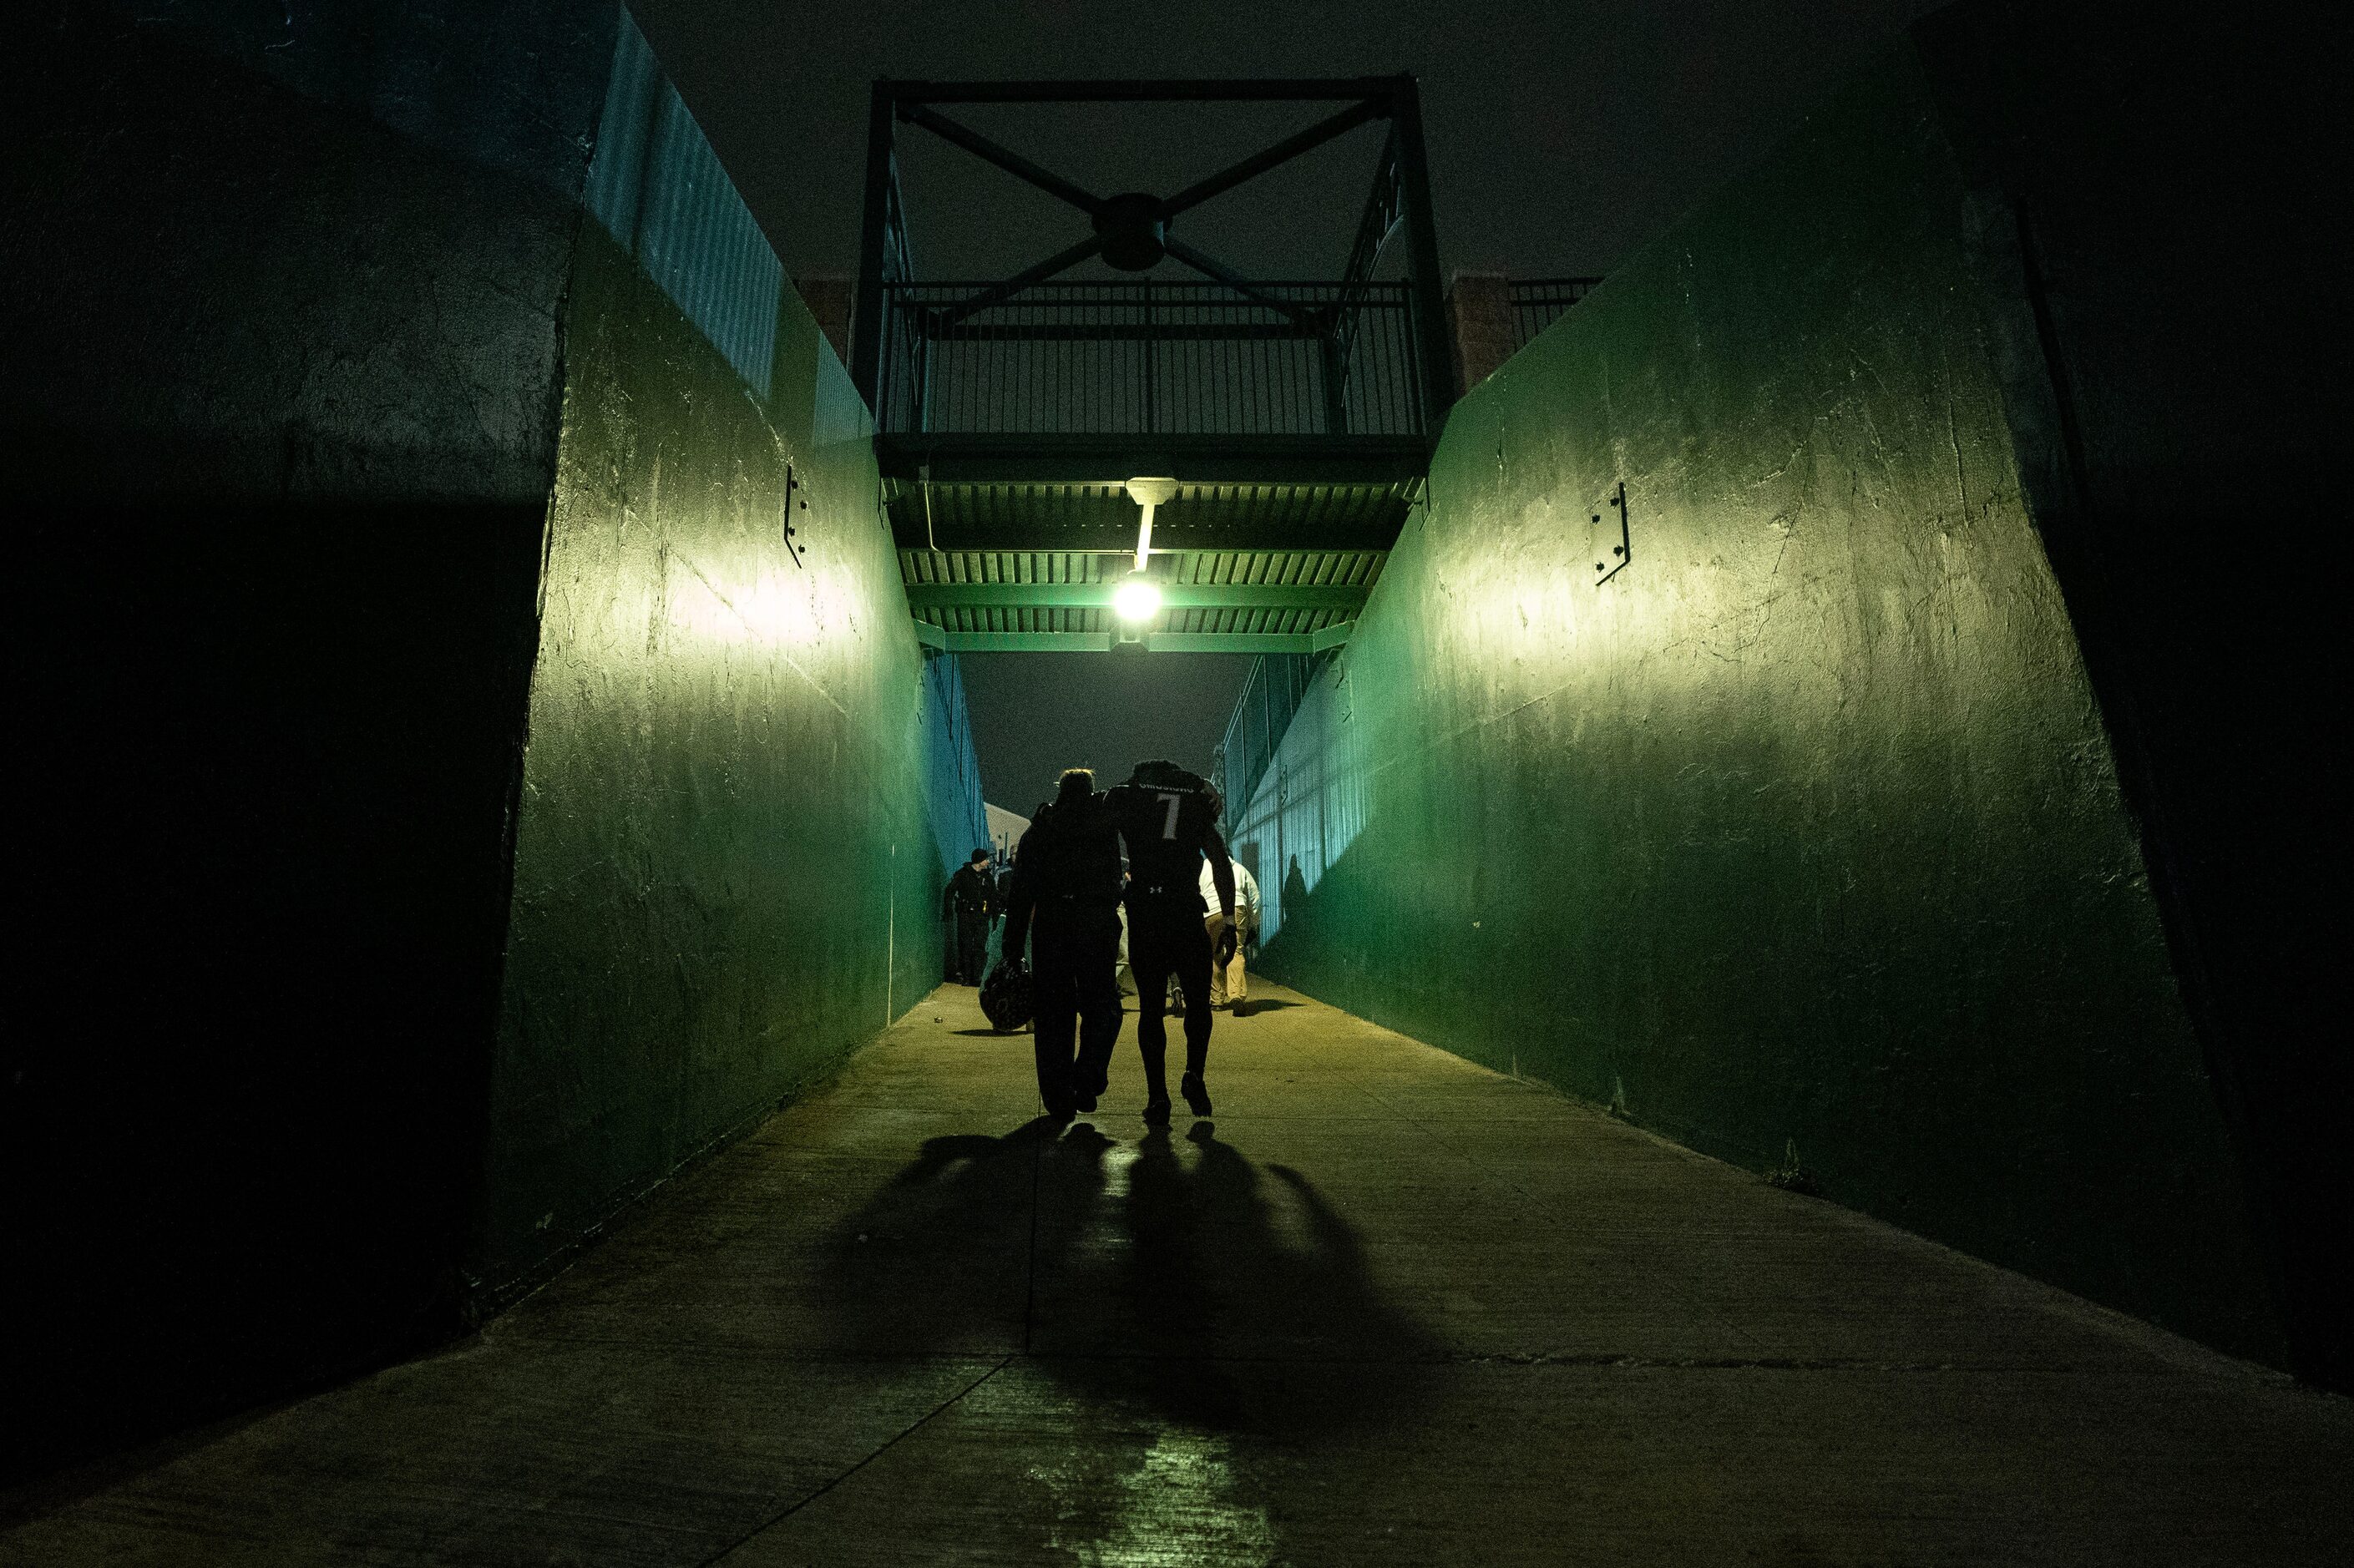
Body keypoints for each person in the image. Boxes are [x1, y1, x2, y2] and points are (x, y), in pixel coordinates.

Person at [1102, 761, 1237, 1124]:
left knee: (1150, 1010)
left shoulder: (1127, 795)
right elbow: (1220, 861)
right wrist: (1228, 920)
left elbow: (1099, 833)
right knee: (1199, 1005)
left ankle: (1157, 1096)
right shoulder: (1194, 799)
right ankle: (1194, 1075)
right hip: (1185, 910)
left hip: (1147, 913)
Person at [1000, 769, 1125, 1118]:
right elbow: (1115, 882)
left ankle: (1058, 1099)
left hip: (1052, 929)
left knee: (1054, 1015)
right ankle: (1087, 1078)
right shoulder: (1103, 829)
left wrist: (1012, 945)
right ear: (1090, 791)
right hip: (1096, 929)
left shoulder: (1038, 831)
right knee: (1103, 1008)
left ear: (1060, 791)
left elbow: (1021, 893)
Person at [1202, 852, 1261, 1013]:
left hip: (1211, 912)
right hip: (1236, 908)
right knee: (1236, 951)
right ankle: (1236, 996)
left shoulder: (1203, 868)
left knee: (1214, 954)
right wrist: (1255, 923)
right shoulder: (1241, 869)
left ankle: (1216, 1000)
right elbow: (1254, 898)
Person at [941, 849, 997, 985]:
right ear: (979, 860)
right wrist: (948, 910)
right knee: (965, 944)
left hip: (982, 916)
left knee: (979, 945)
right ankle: (967, 976)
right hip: (965, 915)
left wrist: (994, 918)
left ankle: (976, 976)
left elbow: (993, 898)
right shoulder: (962, 875)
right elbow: (950, 891)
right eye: (986, 859)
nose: (988, 862)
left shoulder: (988, 878)